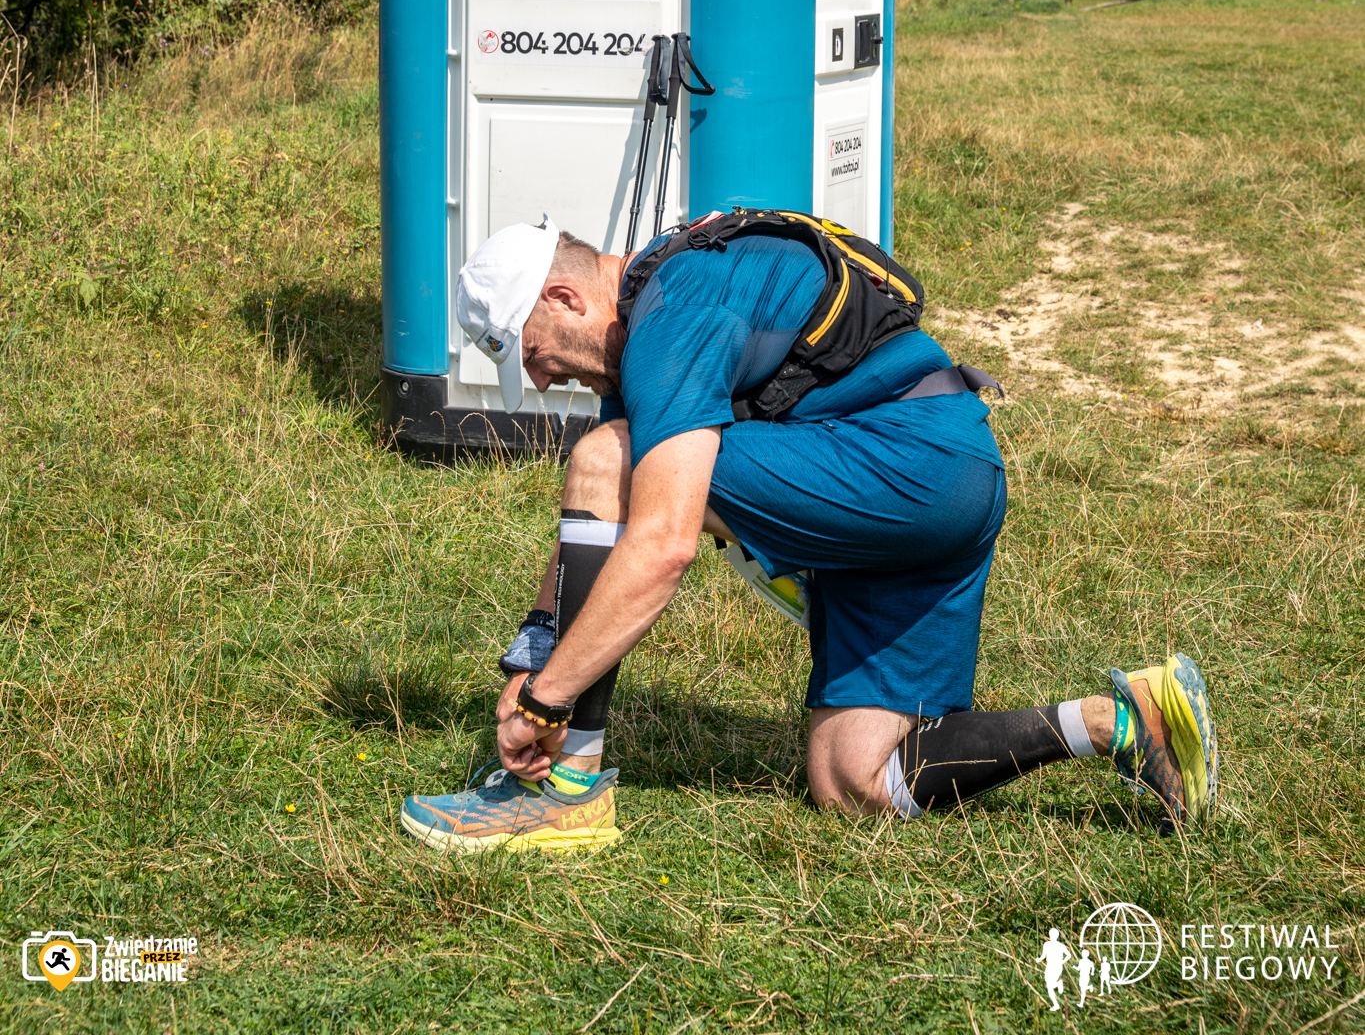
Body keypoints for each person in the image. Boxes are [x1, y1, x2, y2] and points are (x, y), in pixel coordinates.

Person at [401, 212, 1218, 855]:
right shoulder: (651, 320)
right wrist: (534, 651)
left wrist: (547, 698)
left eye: (532, 354)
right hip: (933, 481)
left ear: (565, 298)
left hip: (904, 469)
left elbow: (659, 542)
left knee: (609, 455)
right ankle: (1124, 722)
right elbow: (594, 525)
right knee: (852, 780)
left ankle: (564, 796)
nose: (541, 380)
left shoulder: (676, 309)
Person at [1037, 930, 1073, 1012]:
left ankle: (1057, 986)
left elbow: (1043, 956)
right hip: (1054, 965)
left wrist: (1038, 959)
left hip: (1053, 965)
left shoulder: (1047, 944)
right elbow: (1068, 955)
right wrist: (1062, 962)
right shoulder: (1059, 945)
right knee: (1049, 985)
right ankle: (1056, 1004)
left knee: (1049, 986)